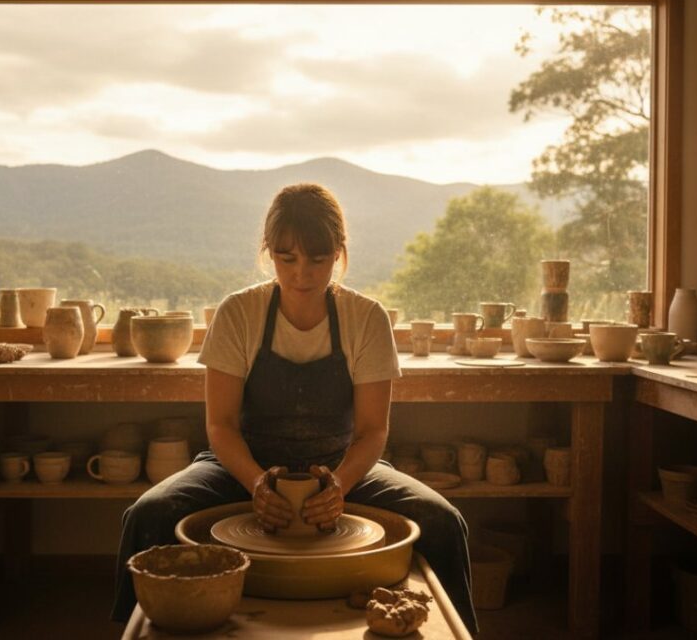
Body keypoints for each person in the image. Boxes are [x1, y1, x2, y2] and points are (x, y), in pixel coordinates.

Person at [111, 183, 478, 634]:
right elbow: (221, 426)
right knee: (149, 514)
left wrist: (339, 485)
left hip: (340, 464)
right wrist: (256, 483)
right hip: (242, 463)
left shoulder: (366, 318)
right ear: (268, 251)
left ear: (339, 252)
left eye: (318, 259)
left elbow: (372, 431)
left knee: (443, 521)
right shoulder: (238, 313)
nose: (302, 274)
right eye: (287, 259)